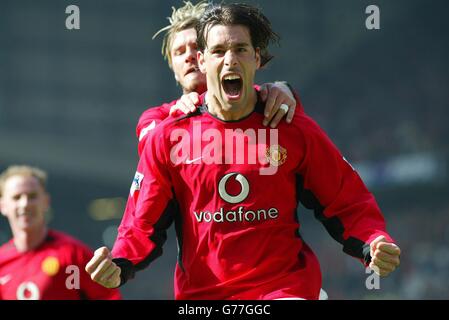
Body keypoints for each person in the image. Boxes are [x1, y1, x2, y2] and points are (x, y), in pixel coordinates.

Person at [86, 3, 401, 299]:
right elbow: (141, 223)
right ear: (204, 61)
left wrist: (373, 240)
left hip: (284, 286)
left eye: (240, 50)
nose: (229, 60)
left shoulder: (289, 124)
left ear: (257, 58)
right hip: (203, 294)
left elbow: (346, 200)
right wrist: (119, 261)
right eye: (219, 51)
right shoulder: (165, 132)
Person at [135, 1, 298, 156]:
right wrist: (176, 121)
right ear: (172, 66)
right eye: (179, 51)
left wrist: (286, 89)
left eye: (195, 47)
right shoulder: (158, 118)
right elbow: (153, 158)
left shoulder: (270, 100)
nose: (189, 56)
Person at [0, 165, 121, 300]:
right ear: (3, 206)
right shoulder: (1, 262)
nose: (25, 204)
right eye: (16, 197)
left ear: (46, 201)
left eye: (32, 196)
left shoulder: (74, 256)